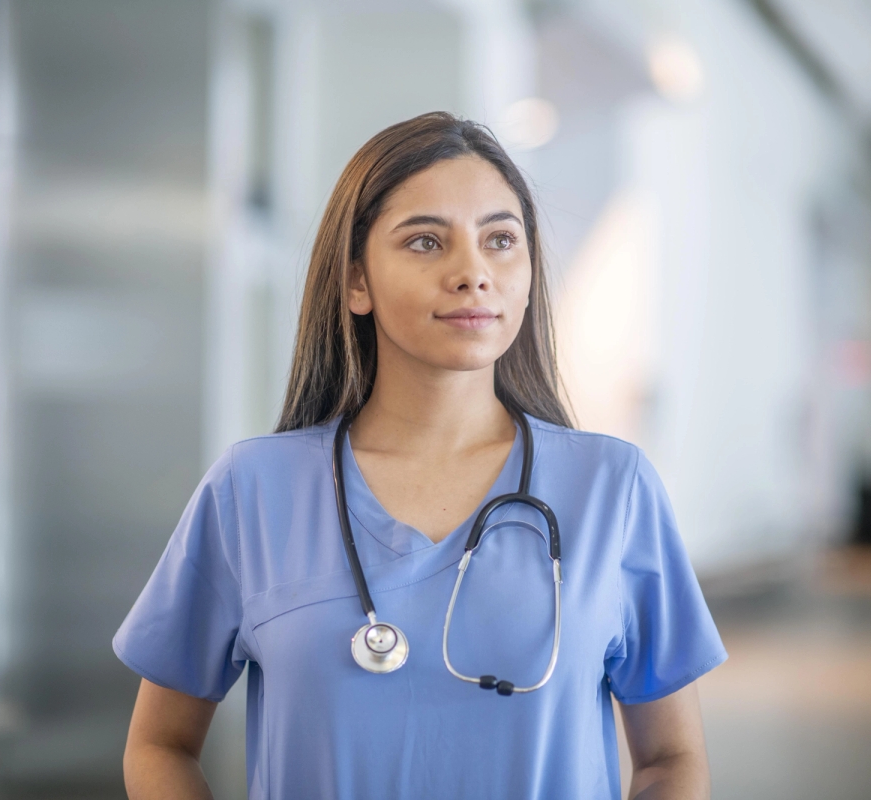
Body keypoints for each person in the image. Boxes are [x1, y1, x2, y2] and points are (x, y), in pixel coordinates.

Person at [114, 111, 726, 799]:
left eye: (500, 239)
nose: (472, 273)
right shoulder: (253, 491)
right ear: (356, 283)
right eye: (426, 242)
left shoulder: (612, 489)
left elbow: (672, 760)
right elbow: (160, 744)